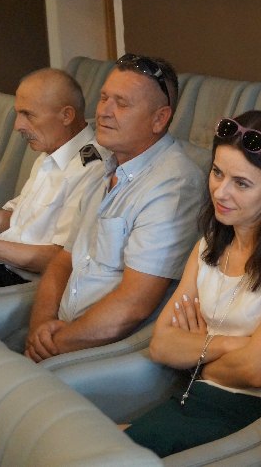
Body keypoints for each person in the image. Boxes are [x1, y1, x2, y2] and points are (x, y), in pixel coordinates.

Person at [124, 110, 261, 457]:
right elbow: (161, 345)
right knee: (97, 444)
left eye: (242, 183)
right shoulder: (209, 245)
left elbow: (256, 371)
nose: (221, 192)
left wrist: (195, 354)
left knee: (113, 451)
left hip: (258, 413)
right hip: (197, 394)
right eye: (217, 172)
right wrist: (236, 344)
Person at [24, 54, 205, 362]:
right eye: (104, 97)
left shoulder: (174, 185)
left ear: (159, 119)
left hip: (113, 352)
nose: (103, 111)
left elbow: (134, 306)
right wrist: (40, 327)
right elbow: (63, 261)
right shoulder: (103, 165)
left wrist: (54, 345)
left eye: (122, 103)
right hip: (63, 334)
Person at [0, 68, 104, 295]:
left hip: (31, 287)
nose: (17, 125)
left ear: (66, 115)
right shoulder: (51, 152)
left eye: (28, 114)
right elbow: (18, 222)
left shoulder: (92, 168)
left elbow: (62, 258)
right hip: (3, 269)